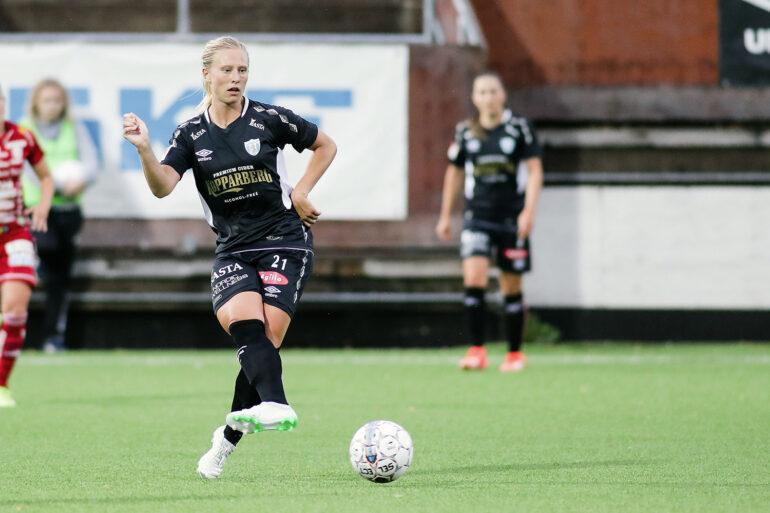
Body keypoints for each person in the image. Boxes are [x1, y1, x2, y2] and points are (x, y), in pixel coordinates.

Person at [122, 36, 336, 478]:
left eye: (242, 70)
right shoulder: (190, 133)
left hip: (283, 240)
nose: (235, 78)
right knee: (249, 334)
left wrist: (300, 190)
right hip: (234, 249)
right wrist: (145, 148)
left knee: (266, 340)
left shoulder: (270, 118)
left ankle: (226, 439)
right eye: (226, 70)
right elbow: (163, 186)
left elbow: (326, 146)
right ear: (207, 75)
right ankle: (274, 406)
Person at [435, 71, 543, 372]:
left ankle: (514, 353)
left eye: (493, 91)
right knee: (474, 279)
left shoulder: (520, 128)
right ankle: (477, 350)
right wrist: (445, 216)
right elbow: (454, 172)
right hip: (476, 217)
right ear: (474, 98)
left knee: (510, 285)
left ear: (502, 94)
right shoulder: (465, 132)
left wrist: (528, 212)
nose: (488, 97)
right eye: (481, 92)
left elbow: (535, 171)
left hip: (511, 218)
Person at [21, 78, 99, 353]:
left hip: (69, 210)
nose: (53, 105)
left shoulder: (73, 128)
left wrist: (81, 180)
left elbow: (91, 163)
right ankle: (37, 261)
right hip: (38, 208)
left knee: (59, 279)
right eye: (47, 100)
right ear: (36, 103)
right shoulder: (25, 130)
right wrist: (55, 184)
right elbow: (26, 167)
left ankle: (53, 337)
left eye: (57, 100)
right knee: (46, 246)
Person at [0, 85, 54, 407]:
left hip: (14, 233)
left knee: (16, 310)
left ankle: (1, 384)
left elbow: (46, 177)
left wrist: (43, 205)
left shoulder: (23, 138)